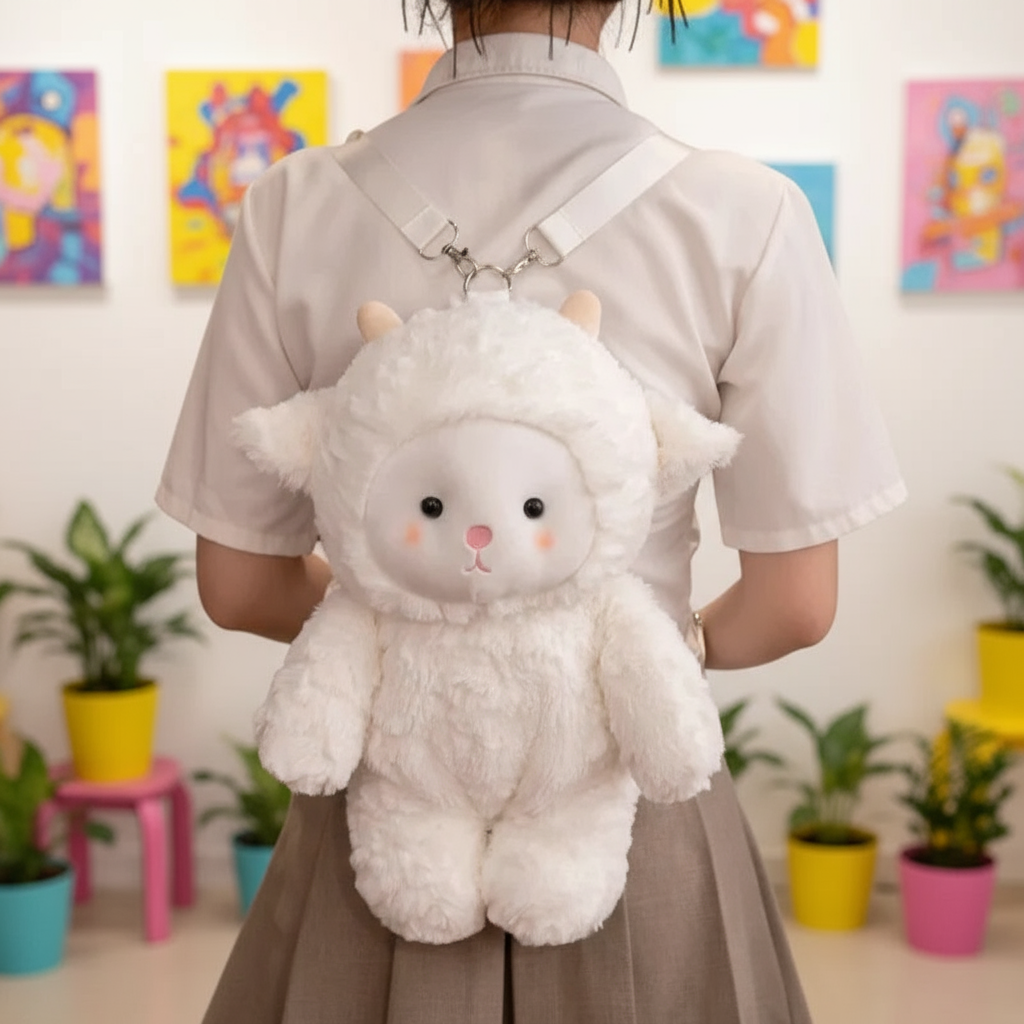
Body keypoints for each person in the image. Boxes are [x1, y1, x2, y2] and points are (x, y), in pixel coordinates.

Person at [157, 2, 906, 1021]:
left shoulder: (296, 204)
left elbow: (238, 582)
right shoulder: (746, 212)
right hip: (627, 821)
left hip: (384, 822)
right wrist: (613, 652)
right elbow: (795, 602)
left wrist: (415, 635)